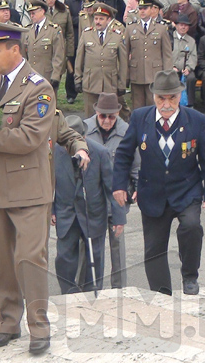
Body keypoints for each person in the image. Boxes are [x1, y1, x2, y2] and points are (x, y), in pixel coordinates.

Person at [0, 18, 54, 355]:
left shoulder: (39, 87)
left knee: (29, 258)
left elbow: (29, 137)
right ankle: (7, 322)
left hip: (28, 189)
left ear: (15, 49)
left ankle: (39, 327)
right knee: (2, 261)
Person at [113, 69, 205, 296]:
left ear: (179, 96)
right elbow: (123, 154)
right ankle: (162, 292)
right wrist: (119, 185)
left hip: (187, 189)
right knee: (154, 249)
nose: (166, 104)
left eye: (172, 98)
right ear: (154, 97)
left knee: (192, 227)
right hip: (152, 192)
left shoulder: (196, 120)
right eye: (161, 98)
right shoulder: (140, 117)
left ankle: (190, 275)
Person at [53, 114, 126, 294]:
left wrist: (118, 218)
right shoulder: (53, 152)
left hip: (92, 213)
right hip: (66, 213)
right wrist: (51, 210)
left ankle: (92, 293)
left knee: (95, 258)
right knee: (64, 258)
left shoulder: (100, 152)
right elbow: (47, 185)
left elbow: (112, 188)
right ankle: (69, 294)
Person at [85, 93, 140, 289]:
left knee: (118, 246)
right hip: (94, 199)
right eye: (102, 116)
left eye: (111, 116)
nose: (107, 121)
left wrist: (137, 186)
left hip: (118, 197)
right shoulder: (84, 130)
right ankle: (92, 288)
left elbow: (135, 164)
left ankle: (119, 289)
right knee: (93, 246)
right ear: (96, 112)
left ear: (118, 113)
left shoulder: (128, 131)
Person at [74, 2, 127, 118]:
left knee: (109, 115)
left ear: (108, 20)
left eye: (101, 19)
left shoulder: (117, 36)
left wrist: (122, 84)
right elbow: (79, 58)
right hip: (90, 83)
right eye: (96, 18)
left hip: (109, 83)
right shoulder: (86, 34)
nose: (97, 21)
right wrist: (78, 78)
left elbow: (123, 63)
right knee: (90, 116)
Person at [125, 0, 172, 109]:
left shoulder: (161, 28)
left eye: (145, 8)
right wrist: (125, 76)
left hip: (155, 74)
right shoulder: (131, 28)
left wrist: (166, 76)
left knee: (154, 106)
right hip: (137, 74)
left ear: (152, 9)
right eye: (140, 9)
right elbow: (125, 54)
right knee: (138, 106)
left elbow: (166, 55)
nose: (142, 11)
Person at [23, 0, 65, 93]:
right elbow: (24, 55)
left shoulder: (53, 30)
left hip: (46, 76)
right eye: (30, 13)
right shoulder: (28, 30)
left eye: (34, 13)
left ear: (42, 11)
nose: (31, 16)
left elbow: (58, 56)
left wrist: (55, 76)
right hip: (31, 76)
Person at [43, 0, 75, 99]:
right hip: (45, 51)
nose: (50, 0)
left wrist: (69, 53)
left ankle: (55, 103)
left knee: (56, 78)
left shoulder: (63, 10)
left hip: (60, 50)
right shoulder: (40, 10)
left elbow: (70, 33)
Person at [64, 0, 88, 104]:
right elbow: (67, 20)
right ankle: (71, 94)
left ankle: (87, 90)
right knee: (71, 69)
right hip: (74, 39)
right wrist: (82, 18)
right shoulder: (68, 1)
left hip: (88, 40)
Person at [172, 14, 197, 108]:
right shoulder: (169, 38)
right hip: (172, 68)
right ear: (176, 25)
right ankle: (173, 103)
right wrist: (171, 67)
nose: (183, 27)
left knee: (191, 78)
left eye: (186, 25)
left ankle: (189, 104)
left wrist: (188, 68)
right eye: (181, 24)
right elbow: (165, 55)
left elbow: (193, 56)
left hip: (186, 69)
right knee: (170, 77)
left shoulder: (191, 41)